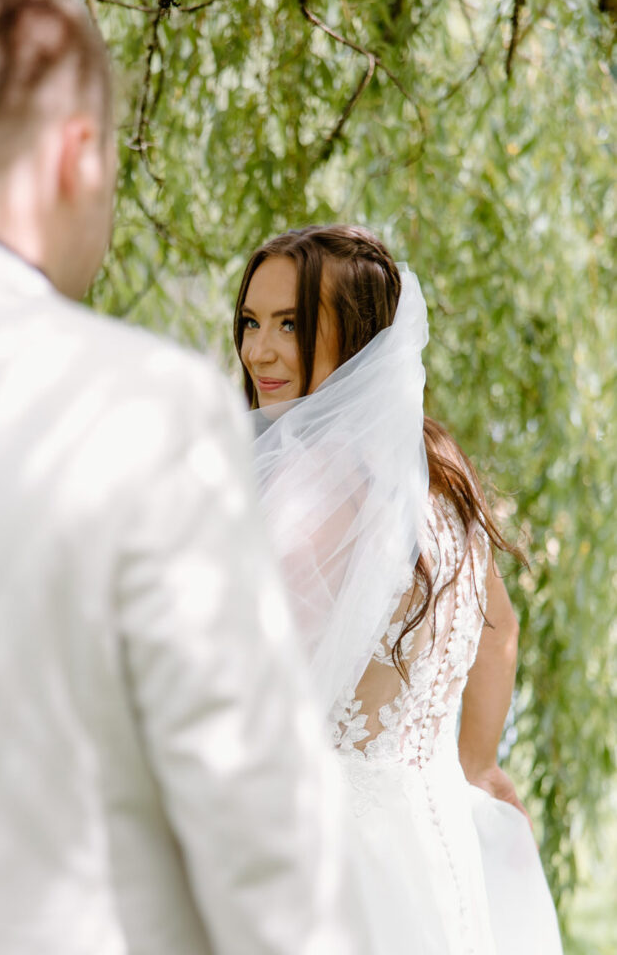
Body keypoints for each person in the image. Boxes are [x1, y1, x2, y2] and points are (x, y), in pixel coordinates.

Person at [0, 0, 383, 955]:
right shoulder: (137, 411)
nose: (258, 348)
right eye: (250, 322)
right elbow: (257, 826)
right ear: (76, 155)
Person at [233, 224, 564, 954]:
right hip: (431, 833)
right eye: (251, 322)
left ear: (355, 336)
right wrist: (475, 762)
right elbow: (497, 629)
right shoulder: (435, 467)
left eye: (290, 324)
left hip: (329, 853)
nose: (258, 350)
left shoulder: (307, 485)